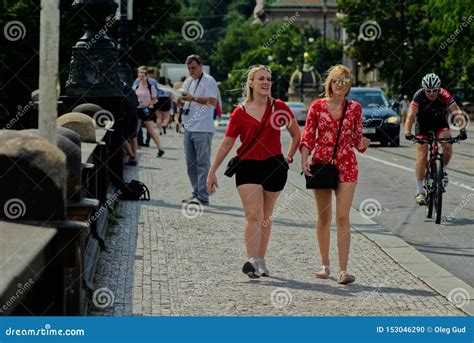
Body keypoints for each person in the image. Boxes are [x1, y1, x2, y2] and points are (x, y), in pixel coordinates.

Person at [207, 65, 301, 279]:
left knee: (266, 217)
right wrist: (212, 171)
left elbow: (296, 135)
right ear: (250, 83)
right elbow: (226, 143)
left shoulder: (279, 108)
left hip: (274, 166)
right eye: (261, 78)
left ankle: (261, 259)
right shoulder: (239, 113)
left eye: (268, 78)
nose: (266, 82)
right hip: (247, 167)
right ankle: (252, 261)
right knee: (253, 214)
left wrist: (288, 157)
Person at [300, 65, 370, 285]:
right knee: (323, 217)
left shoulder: (355, 108)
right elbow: (308, 136)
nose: (340, 84)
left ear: (349, 84)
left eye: (345, 80)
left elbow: (357, 140)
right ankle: (325, 264)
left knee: (342, 216)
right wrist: (304, 159)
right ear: (329, 83)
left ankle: (343, 270)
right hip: (321, 162)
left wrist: (363, 143)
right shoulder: (317, 106)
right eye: (336, 80)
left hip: (347, 162)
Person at [404, 73, 467, 205]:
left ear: (438, 89)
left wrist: (462, 130)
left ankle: (442, 171)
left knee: (448, 142)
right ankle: (420, 190)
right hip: (423, 126)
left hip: (440, 123)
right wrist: (407, 132)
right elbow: (410, 116)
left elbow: (456, 111)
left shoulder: (444, 94)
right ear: (424, 89)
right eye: (428, 90)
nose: (431, 93)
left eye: (434, 90)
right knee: (422, 154)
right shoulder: (419, 95)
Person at [178, 55, 218, 205]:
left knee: (202, 163)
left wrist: (193, 99)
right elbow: (186, 100)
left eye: (193, 67)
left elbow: (213, 102)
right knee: (191, 164)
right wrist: (180, 101)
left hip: (203, 128)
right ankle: (196, 193)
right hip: (189, 126)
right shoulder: (188, 81)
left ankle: (203, 196)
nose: (191, 71)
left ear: (201, 66)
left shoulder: (209, 80)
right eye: (188, 68)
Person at [133, 68, 164, 157]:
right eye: (139, 76)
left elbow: (155, 100)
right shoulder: (136, 86)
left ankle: (160, 148)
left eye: (142, 76)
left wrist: (148, 104)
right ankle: (133, 153)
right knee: (135, 130)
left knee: (150, 130)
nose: (141, 78)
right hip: (138, 109)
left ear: (146, 76)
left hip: (147, 110)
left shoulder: (151, 87)